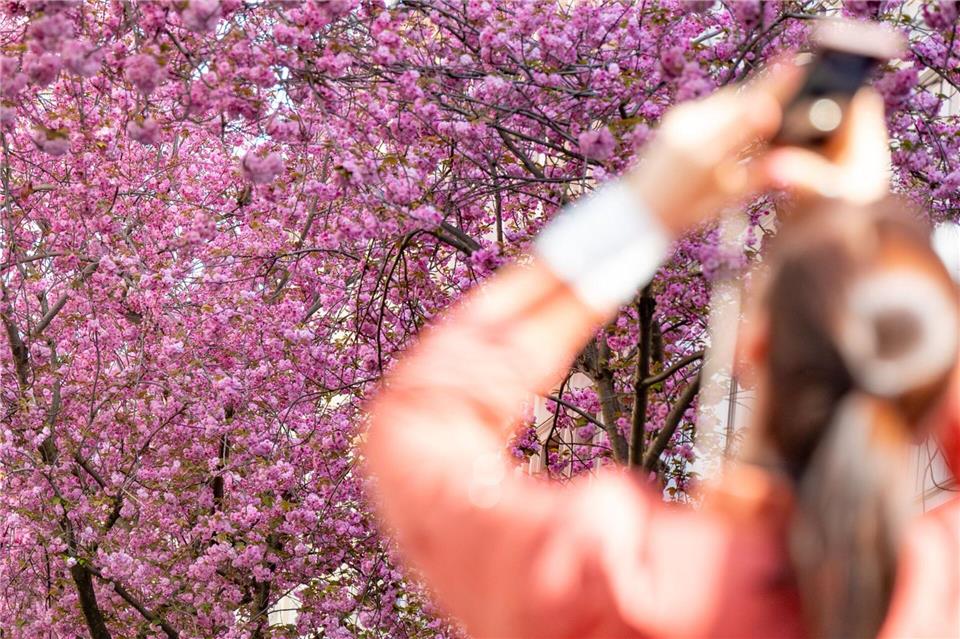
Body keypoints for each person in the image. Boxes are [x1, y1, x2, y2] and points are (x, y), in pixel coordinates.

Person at [362, 64, 960, 639]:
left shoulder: (622, 584)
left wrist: (644, 207)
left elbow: (422, 425)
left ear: (751, 347)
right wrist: (883, 244)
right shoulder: (940, 595)